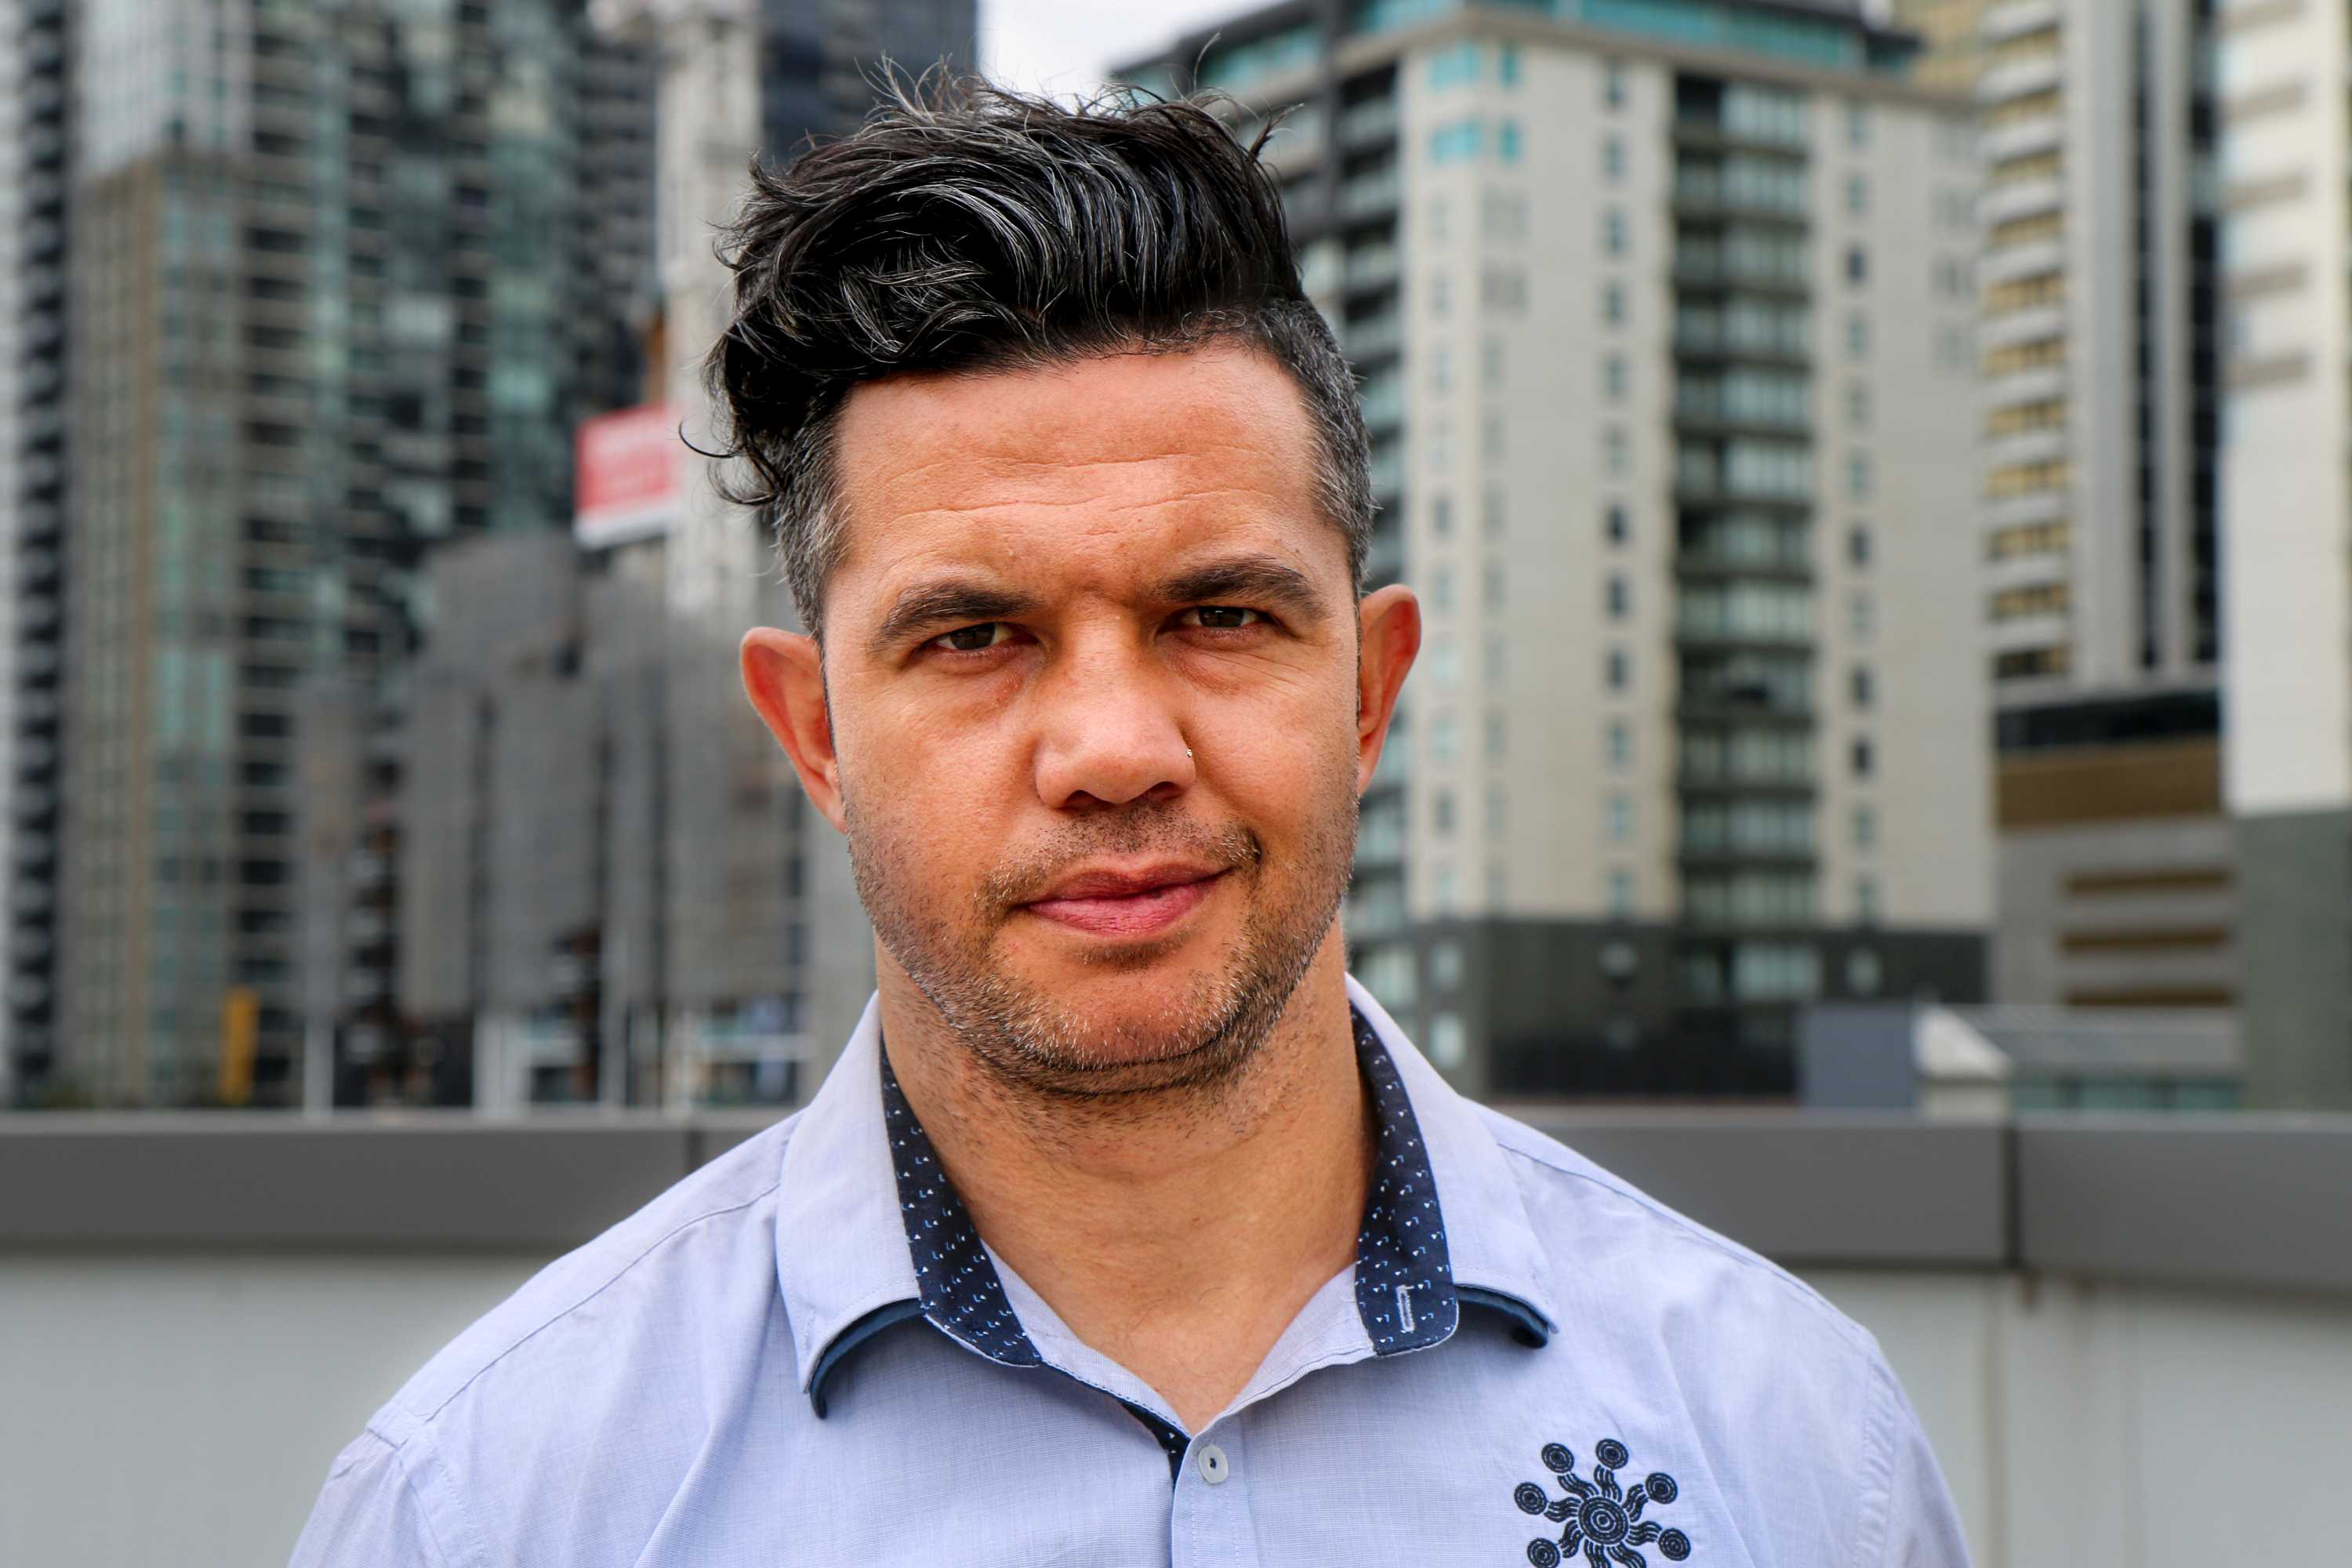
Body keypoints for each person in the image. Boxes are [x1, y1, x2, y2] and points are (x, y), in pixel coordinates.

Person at [292, 78, 1969, 1566]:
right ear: (815, 733)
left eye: (1222, 616)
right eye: (974, 638)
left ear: (1369, 689)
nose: (1112, 749)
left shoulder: (1794, 1447)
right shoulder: (495, 1507)